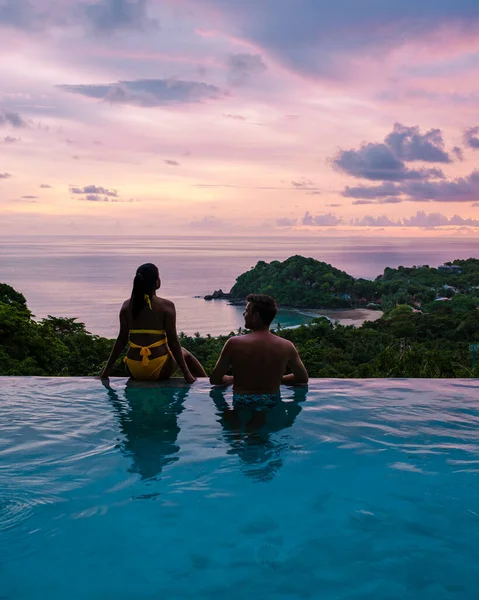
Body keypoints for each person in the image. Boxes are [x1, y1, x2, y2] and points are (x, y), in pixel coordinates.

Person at [99, 263, 206, 382]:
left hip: (134, 368)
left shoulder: (126, 306)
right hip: (159, 367)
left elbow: (121, 340)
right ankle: (207, 385)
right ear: (156, 282)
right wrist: (187, 374)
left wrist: (106, 372)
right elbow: (173, 342)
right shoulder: (166, 306)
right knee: (184, 352)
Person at [209, 294, 308, 408]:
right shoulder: (287, 346)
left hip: (242, 402)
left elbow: (215, 379)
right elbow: (302, 378)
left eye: (246, 311)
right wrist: (275, 379)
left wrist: (234, 379)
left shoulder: (233, 343)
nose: (243, 314)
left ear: (255, 316)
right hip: (272, 403)